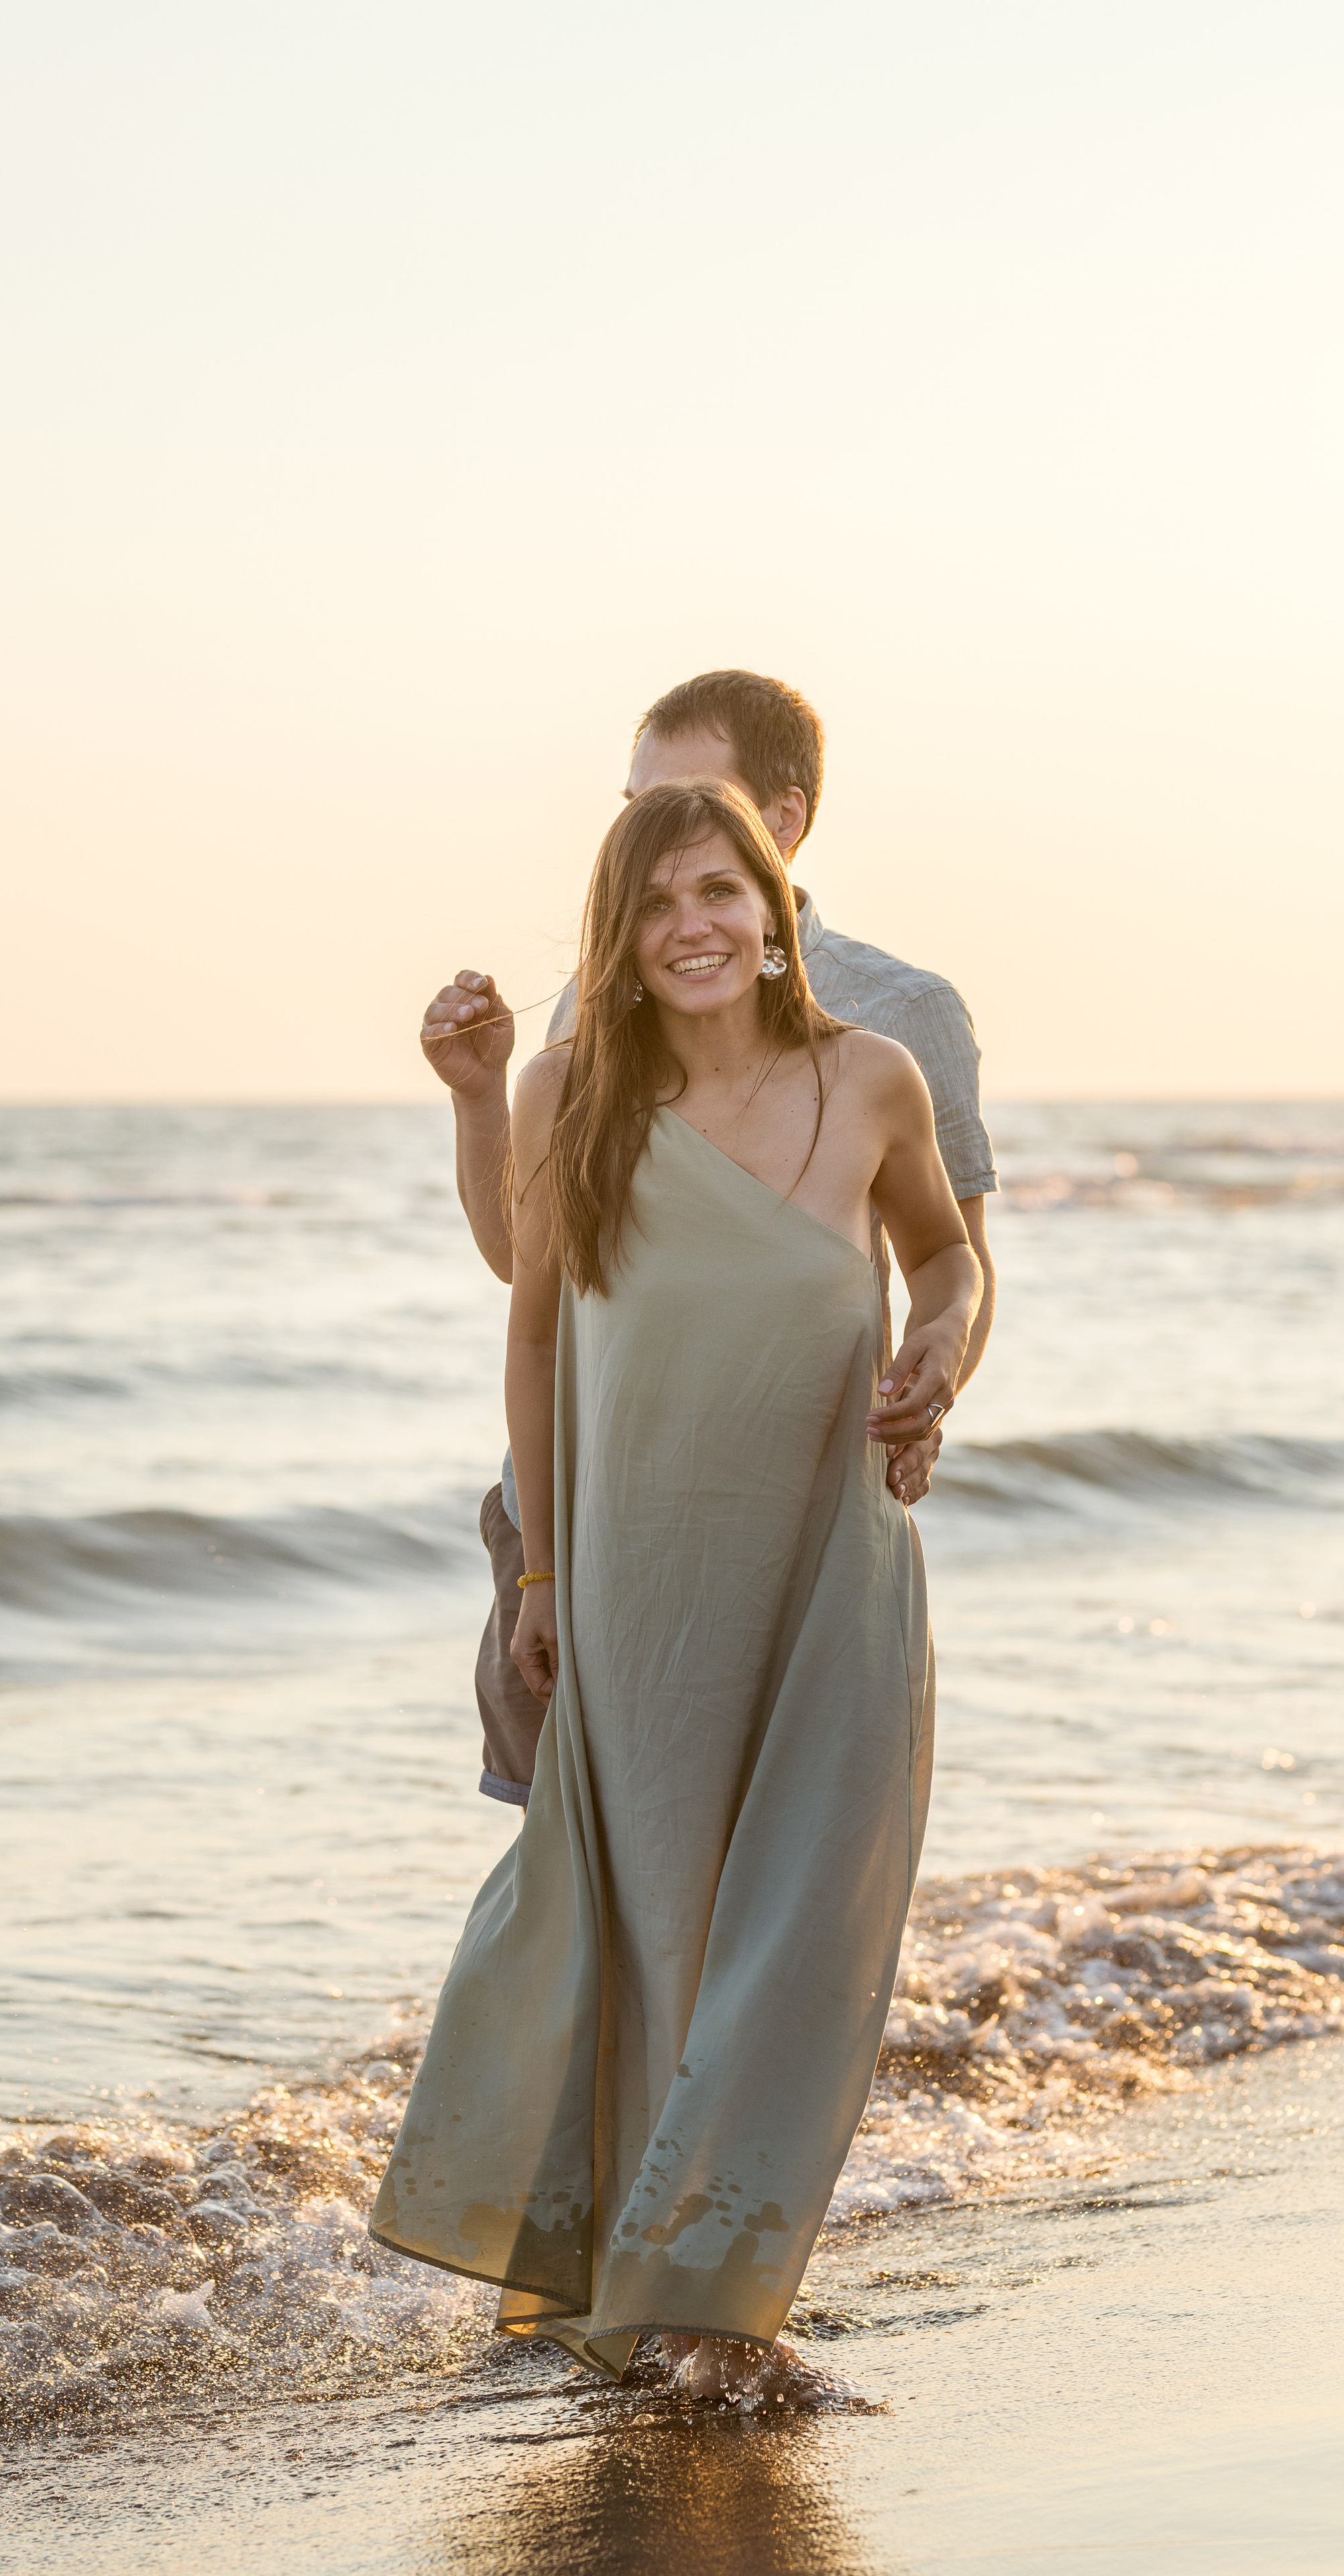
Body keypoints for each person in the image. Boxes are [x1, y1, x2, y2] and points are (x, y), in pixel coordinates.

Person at [372, 777, 983, 2404]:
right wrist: (539, 1568)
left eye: (718, 890)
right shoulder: (573, 1087)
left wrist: (940, 1349)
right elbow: (530, 1319)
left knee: (802, 1926)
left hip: (830, 1566)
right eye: (653, 904)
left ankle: (717, 2298)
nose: (690, 926)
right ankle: (652, 2298)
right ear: (618, 938)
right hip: (640, 1576)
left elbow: (944, 1257)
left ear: (772, 907)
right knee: (656, 1928)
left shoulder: (871, 1077)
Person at [420, 670, 997, 1805]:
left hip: (795, 1529)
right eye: (634, 809)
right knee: (586, 1873)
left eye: (686, 803)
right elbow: (538, 1283)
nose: (656, 840)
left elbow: (952, 1262)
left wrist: (928, 1400)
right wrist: (480, 1100)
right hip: (585, 1520)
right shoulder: (601, 999)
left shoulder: (899, 1022)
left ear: (782, 820)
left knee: (791, 1861)